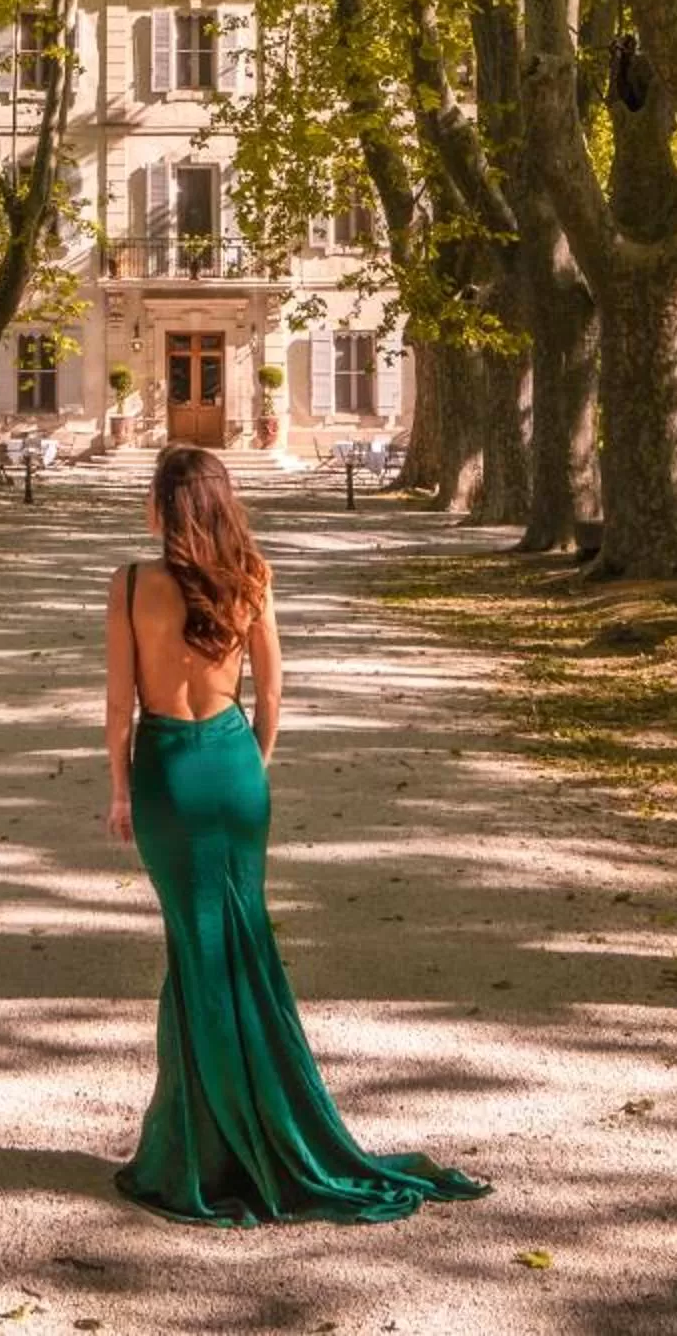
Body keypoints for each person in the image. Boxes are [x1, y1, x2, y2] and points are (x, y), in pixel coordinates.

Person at [103, 441, 493, 1226]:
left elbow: (121, 707)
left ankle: (202, 1148)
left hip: (168, 775)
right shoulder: (252, 577)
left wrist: (119, 790)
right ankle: (253, 1129)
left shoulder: (132, 583)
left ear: (162, 505)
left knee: (197, 951)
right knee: (240, 947)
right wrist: (255, 766)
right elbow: (274, 693)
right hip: (234, 769)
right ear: (220, 502)